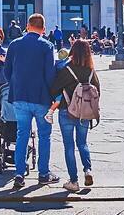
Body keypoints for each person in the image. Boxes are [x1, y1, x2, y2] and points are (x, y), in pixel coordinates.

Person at [4, 14, 59, 189]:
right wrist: (53, 95)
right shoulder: (47, 46)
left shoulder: (14, 44)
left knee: (22, 134)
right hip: (42, 98)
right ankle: (43, 174)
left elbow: (7, 71)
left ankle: (19, 174)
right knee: (44, 135)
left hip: (20, 96)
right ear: (43, 28)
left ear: (27, 26)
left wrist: (16, 84)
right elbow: (50, 75)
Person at [50, 40, 100, 193]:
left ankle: (74, 181)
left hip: (67, 111)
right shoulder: (91, 72)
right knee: (82, 143)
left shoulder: (67, 69)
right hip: (84, 113)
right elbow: (97, 91)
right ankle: (88, 170)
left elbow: (53, 89)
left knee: (69, 146)